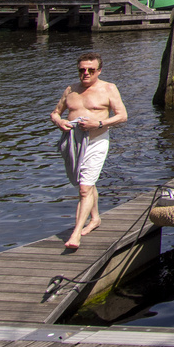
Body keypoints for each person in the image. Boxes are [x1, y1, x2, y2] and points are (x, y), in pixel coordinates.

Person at [51, 53, 128, 250]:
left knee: (84, 188)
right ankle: (95, 218)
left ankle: (75, 234)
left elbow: (122, 116)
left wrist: (99, 122)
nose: (85, 73)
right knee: (85, 182)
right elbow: (55, 113)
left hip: (97, 141)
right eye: (82, 70)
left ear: (99, 71)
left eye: (90, 70)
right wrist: (60, 122)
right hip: (74, 143)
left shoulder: (108, 88)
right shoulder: (71, 90)